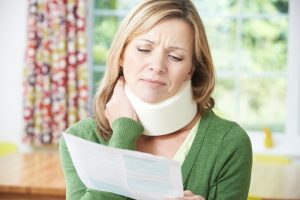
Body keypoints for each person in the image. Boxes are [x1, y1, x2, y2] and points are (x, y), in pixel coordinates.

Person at [59, 0, 252, 199]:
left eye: (176, 57)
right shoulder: (82, 139)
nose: (157, 65)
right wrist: (124, 131)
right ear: (121, 55)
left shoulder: (229, 143)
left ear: (191, 70)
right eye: (143, 49)